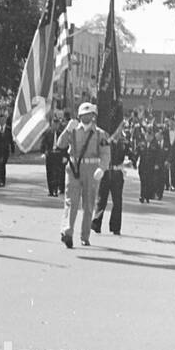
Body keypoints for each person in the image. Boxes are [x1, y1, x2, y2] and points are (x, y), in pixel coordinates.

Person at [55, 102, 111, 248]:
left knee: (88, 204)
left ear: (94, 116)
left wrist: (102, 168)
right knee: (70, 201)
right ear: (79, 116)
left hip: (92, 170)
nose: (86, 116)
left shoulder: (100, 133)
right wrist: (66, 130)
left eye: (89, 114)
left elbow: (105, 154)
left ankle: (85, 236)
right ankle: (67, 232)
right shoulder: (73, 130)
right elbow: (60, 145)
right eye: (83, 114)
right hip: (74, 168)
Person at [90, 131, 128, 236]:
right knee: (102, 199)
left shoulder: (123, 143)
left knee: (117, 201)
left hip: (117, 173)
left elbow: (127, 155)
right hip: (106, 172)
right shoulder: (105, 142)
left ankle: (115, 227)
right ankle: (96, 223)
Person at [41, 114, 65, 196]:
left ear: (58, 125)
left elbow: (65, 146)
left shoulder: (61, 134)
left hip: (58, 155)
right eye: (54, 124)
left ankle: (56, 190)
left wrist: (65, 156)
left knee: (58, 173)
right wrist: (43, 152)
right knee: (50, 173)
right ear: (51, 124)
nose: (55, 126)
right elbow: (43, 144)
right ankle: (50, 190)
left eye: (57, 124)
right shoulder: (47, 133)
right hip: (50, 155)